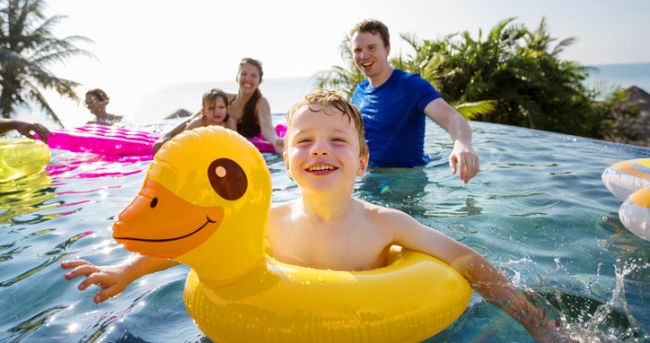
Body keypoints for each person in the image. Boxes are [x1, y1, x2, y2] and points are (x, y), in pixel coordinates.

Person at [61, 90, 574, 343]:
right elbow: (197, 245)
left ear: (362, 160)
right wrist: (126, 270)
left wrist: (535, 321)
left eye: (337, 141)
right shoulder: (268, 220)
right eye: (303, 141)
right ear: (285, 161)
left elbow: (462, 259)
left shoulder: (385, 223)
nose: (318, 151)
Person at [349, 19, 479, 183]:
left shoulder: (412, 85)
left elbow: (452, 118)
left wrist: (463, 143)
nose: (363, 55)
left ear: (387, 49)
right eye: (357, 50)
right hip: (368, 179)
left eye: (372, 48)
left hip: (406, 184)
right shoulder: (359, 92)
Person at [154, 58, 283, 154]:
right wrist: (168, 135)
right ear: (237, 77)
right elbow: (194, 118)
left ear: (259, 81)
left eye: (253, 76)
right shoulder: (223, 99)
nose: (247, 79)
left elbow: (268, 128)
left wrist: (277, 141)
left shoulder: (260, 103)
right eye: (244, 74)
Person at [152, 88, 236, 152]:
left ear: (227, 109)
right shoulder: (199, 123)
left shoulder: (229, 123)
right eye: (211, 108)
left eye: (221, 107)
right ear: (203, 111)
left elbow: (233, 144)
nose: (217, 111)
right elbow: (180, 140)